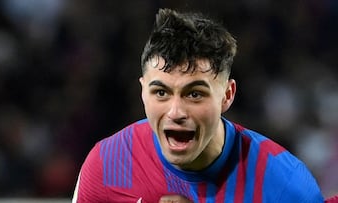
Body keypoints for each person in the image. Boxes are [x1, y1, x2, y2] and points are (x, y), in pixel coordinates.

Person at [72, 8, 325, 203]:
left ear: (227, 95)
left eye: (194, 94)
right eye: (161, 92)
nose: (176, 112)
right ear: (142, 92)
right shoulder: (108, 163)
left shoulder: (285, 184)